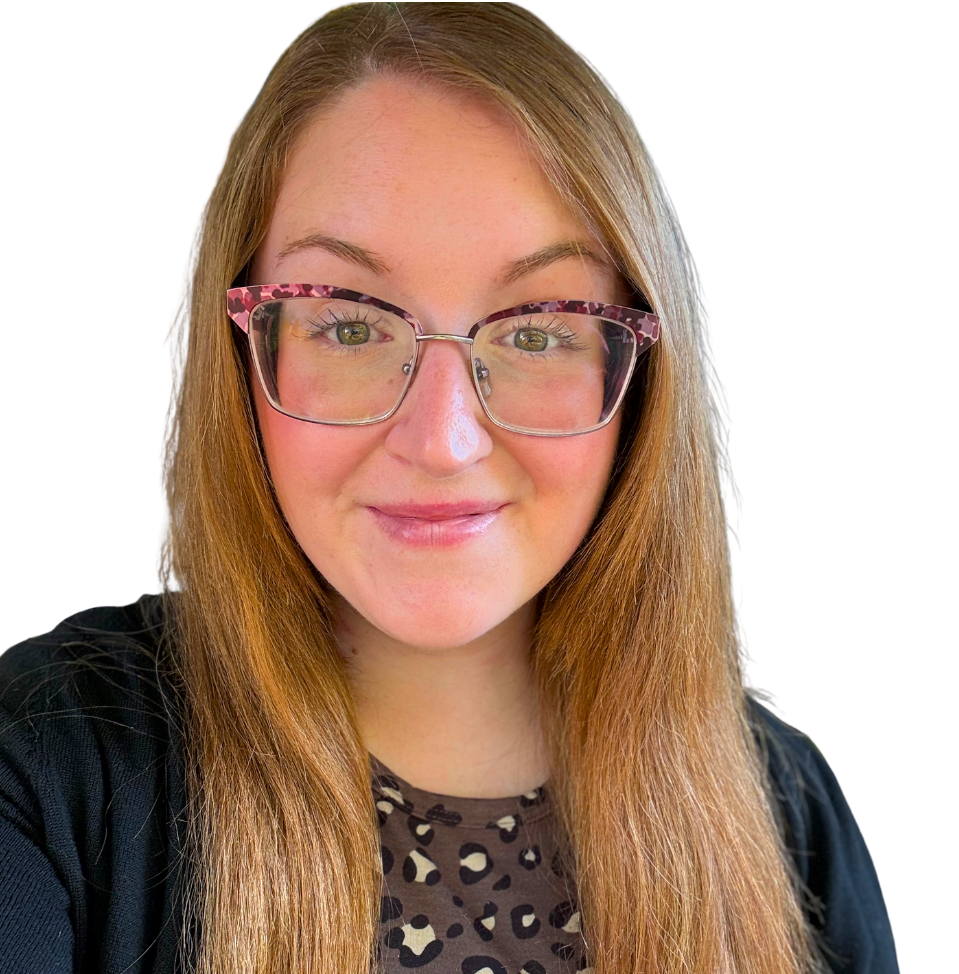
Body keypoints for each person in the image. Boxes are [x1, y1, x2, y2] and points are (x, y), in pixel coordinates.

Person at [0, 4, 898, 973]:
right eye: (345, 325)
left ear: (642, 377)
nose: (441, 439)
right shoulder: (47, 755)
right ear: (237, 354)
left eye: (535, 330)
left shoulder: (780, 797)